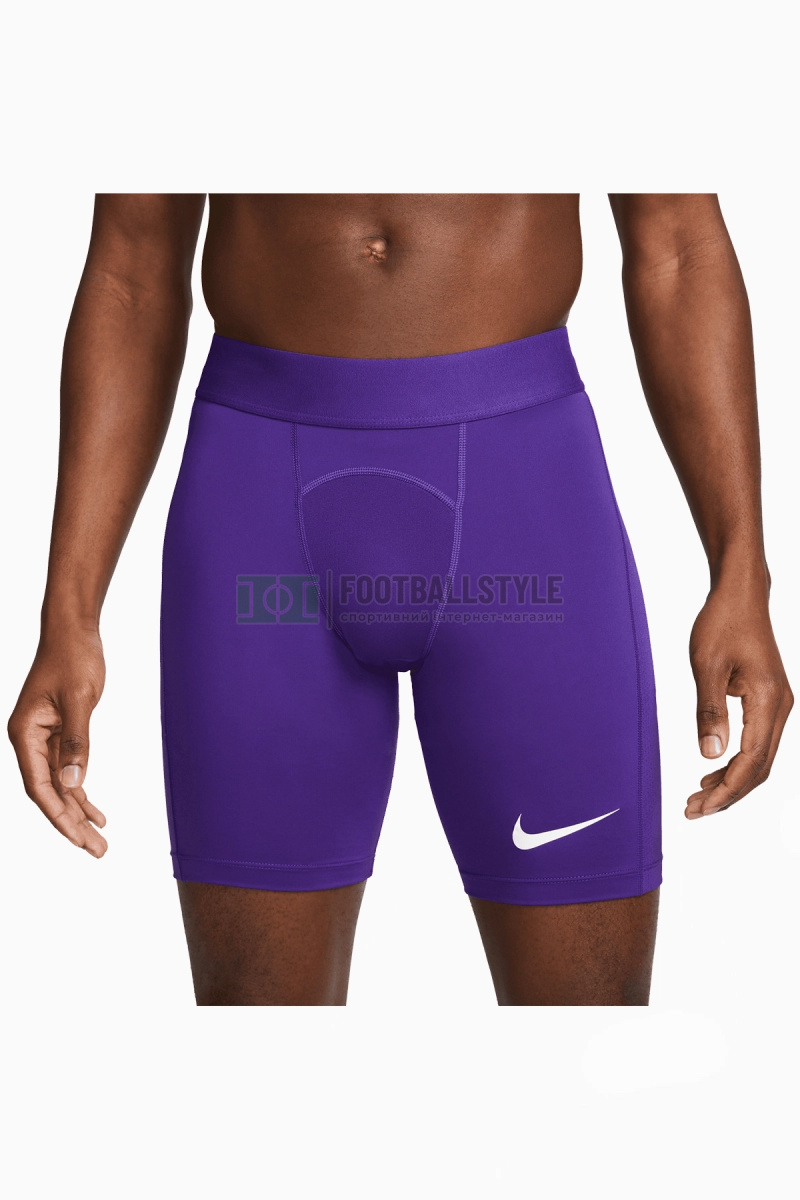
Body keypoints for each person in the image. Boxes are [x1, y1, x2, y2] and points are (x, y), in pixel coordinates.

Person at [7, 194, 792, 1006]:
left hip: (523, 495)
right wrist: (69, 612)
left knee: (586, 1019)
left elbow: (678, 244)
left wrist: (742, 569)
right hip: (257, 497)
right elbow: (132, 269)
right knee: (256, 1033)